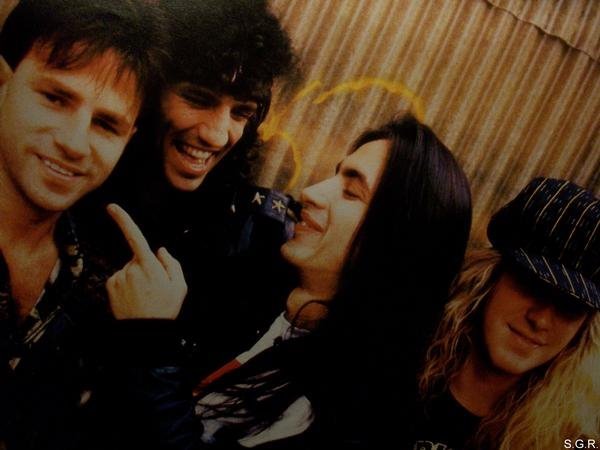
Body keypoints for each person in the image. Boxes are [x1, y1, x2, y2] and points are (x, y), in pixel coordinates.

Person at [106, 115, 473, 449]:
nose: (312, 192)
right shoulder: (257, 296)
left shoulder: (348, 409)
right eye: (335, 175)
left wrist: (147, 341)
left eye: (351, 192)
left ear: (397, 245)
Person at [0, 0, 168, 448]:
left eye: (107, 124)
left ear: (128, 139)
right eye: (55, 98)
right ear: (5, 81)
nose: (75, 144)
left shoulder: (97, 284)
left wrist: (146, 341)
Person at [77, 0, 296, 265]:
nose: (216, 136)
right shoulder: (73, 178)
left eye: (240, 113)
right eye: (198, 100)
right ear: (149, 92)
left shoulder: (242, 233)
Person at [414, 178, 600, 450]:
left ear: (584, 327)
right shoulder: (391, 357)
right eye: (532, 285)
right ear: (489, 274)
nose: (540, 320)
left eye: (570, 307)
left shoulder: (575, 439)